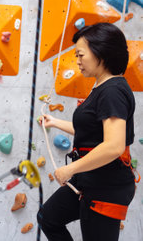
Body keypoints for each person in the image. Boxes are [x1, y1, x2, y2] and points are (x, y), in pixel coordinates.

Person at [37, 23, 137, 241]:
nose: (78, 61)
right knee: (48, 217)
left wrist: (70, 168)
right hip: (91, 179)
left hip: (106, 187)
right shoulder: (104, 88)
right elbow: (92, 131)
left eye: (81, 54)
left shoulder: (112, 91)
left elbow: (114, 145)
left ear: (101, 52)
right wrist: (55, 122)